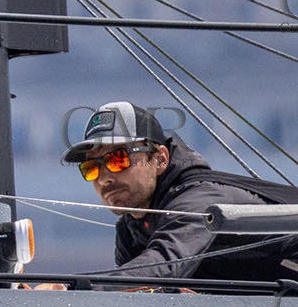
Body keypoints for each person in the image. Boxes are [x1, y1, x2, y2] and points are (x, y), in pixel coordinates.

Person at [57, 101, 298, 284]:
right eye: (91, 168)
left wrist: (73, 288)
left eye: (118, 159)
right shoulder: (130, 234)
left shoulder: (199, 199)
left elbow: (166, 263)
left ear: (159, 159)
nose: (105, 178)